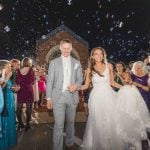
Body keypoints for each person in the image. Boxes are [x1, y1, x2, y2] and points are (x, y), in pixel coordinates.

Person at [80, 47, 123, 150]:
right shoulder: (90, 69)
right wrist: (76, 87)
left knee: (110, 120)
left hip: (109, 96)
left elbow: (112, 82)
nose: (98, 56)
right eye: (96, 54)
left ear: (103, 55)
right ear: (93, 56)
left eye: (100, 54)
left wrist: (125, 87)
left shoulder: (109, 66)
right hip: (96, 98)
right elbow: (85, 86)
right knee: (97, 121)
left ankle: (111, 145)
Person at [46, 39, 83, 150]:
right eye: (64, 48)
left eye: (68, 48)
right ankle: (57, 148)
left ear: (71, 49)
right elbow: (50, 81)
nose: (66, 50)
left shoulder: (76, 63)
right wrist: (48, 98)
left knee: (71, 123)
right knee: (59, 124)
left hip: (72, 97)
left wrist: (75, 86)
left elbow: (80, 78)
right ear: (60, 48)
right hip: (58, 97)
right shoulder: (53, 62)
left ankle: (69, 143)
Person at [116, 71, 150, 150]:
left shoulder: (126, 74)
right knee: (124, 117)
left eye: (120, 66)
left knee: (132, 115)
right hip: (124, 93)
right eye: (117, 67)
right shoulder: (117, 75)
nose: (118, 68)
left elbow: (127, 82)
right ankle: (132, 144)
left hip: (129, 91)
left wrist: (121, 77)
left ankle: (138, 144)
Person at [0, 60, 16, 150]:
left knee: (10, 121)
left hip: (9, 102)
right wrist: (6, 78)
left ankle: (10, 141)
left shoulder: (8, 77)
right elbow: (0, 88)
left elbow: (8, 86)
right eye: (9, 67)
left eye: (11, 66)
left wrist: (14, 88)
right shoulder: (3, 77)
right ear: (2, 68)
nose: (11, 68)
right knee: (4, 124)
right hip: (3, 104)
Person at [15, 57, 35, 131]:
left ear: (23, 63)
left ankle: (20, 124)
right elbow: (32, 81)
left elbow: (17, 81)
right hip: (28, 90)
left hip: (21, 90)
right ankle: (27, 125)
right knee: (29, 107)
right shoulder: (31, 70)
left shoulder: (18, 71)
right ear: (29, 63)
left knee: (18, 108)